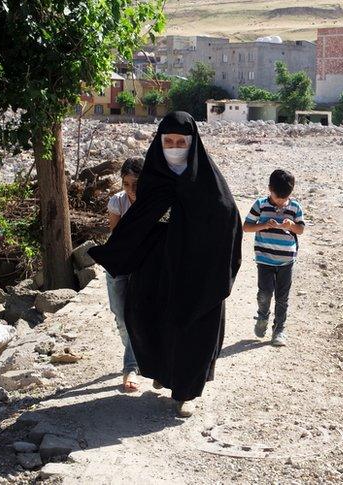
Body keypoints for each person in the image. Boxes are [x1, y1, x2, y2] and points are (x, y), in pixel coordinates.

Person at [89, 112, 242, 417]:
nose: (173, 147)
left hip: (196, 269)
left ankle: (185, 392)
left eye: (180, 142)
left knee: (194, 328)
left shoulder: (206, 180)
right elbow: (139, 219)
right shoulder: (154, 178)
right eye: (168, 141)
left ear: (192, 143)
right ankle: (163, 371)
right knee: (151, 319)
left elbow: (227, 217)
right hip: (157, 266)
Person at [242, 169, 305, 347]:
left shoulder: (295, 207)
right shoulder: (260, 205)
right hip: (264, 259)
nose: (281, 202)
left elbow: (301, 229)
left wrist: (292, 226)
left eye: (285, 198)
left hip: (287, 261)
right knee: (265, 293)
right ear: (270, 189)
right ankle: (262, 317)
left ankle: (279, 329)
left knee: (282, 297)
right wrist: (264, 225)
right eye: (278, 198)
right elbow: (246, 227)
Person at [105, 157, 143, 392]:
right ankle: (134, 353)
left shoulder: (155, 202)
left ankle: (130, 366)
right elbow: (116, 236)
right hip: (119, 265)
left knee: (136, 315)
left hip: (143, 266)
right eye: (126, 184)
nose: (131, 190)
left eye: (136, 184)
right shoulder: (117, 202)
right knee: (120, 316)